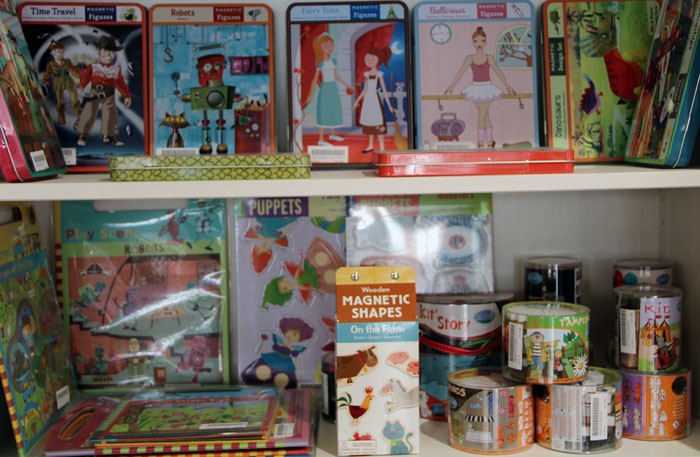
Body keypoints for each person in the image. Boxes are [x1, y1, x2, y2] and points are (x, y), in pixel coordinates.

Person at [445, 26, 516, 147]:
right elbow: (461, 72)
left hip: (487, 88)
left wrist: (508, 86)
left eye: (482, 41)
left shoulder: (489, 58)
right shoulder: (470, 58)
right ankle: (490, 141)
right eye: (476, 41)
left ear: (485, 42)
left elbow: (498, 72)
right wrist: (451, 86)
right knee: (485, 115)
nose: (479, 44)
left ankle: (481, 141)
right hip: (475, 88)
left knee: (481, 114)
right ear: (472, 42)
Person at [74, 35, 131, 147]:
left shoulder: (115, 70)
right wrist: (81, 85)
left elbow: (121, 84)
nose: (108, 55)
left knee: (110, 113)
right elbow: (86, 77)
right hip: (94, 92)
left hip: (109, 94)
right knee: (88, 112)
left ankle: (108, 135)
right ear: (99, 52)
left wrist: (126, 96)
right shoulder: (93, 67)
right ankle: (83, 135)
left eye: (111, 52)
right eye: (105, 51)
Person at [304, 33, 353, 146]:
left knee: (333, 110)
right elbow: (315, 78)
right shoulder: (320, 62)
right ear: (320, 47)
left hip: (333, 88)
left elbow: (335, 76)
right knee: (324, 111)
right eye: (326, 46)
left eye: (331, 45)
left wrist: (346, 84)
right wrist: (310, 94)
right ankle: (321, 139)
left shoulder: (333, 60)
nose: (329, 48)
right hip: (325, 88)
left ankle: (333, 134)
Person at [353, 47, 395, 153]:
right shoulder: (366, 74)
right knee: (369, 123)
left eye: (373, 59)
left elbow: (384, 90)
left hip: (375, 100)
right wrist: (357, 100)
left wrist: (390, 106)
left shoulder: (379, 74)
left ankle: (382, 148)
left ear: (378, 60)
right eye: (368, 58)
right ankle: (370, 145)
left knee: (378, 122)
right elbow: (365, 90)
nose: (370, 61)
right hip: (368, 101)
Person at [41, 40, 81, 125]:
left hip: (68, 81)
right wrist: (46, 80)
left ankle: (78, 113)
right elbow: (48, 73)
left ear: (63, 51)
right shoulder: (51, 64)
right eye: (56, 51)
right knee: (60, 101)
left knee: (74, 97)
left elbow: (74, 70)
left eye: (60, 51)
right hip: (58, 83)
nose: (59, 53)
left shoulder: (67, 61)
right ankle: (61, 116)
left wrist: (80, 76)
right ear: (52, 53)